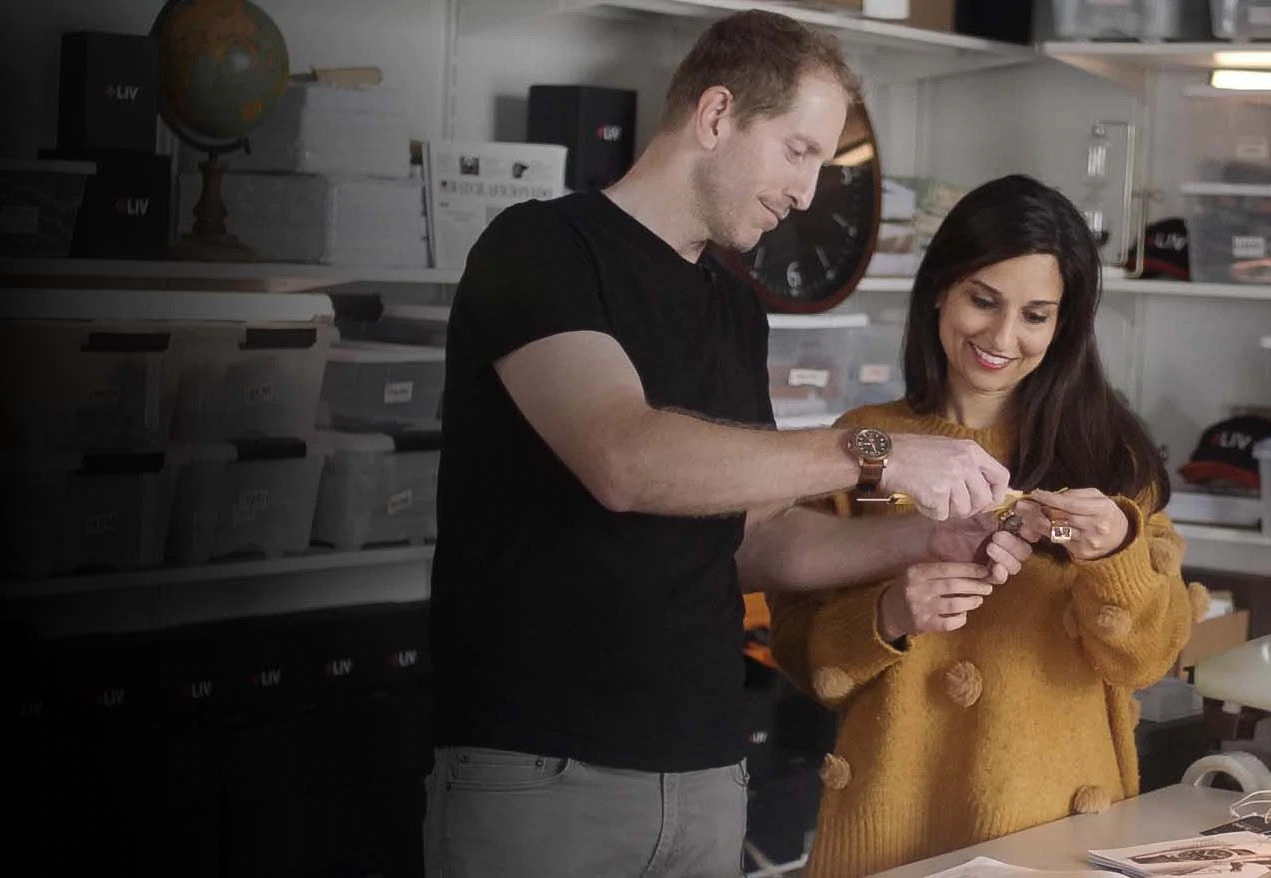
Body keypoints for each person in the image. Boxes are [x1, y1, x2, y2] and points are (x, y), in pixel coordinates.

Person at [424, 10, 1038, 878]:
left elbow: (754, 539)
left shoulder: (735, 306)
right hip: (542, 773)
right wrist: (877, 451)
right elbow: (624, 459)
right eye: (798, 151)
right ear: (716, 115)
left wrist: (928, 538)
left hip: (706, 774)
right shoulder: (540, 249)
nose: (808, 193)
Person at [767, 174, 1200, 877]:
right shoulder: (868, 443)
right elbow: (800, 654)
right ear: (940, 289)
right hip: (890, 829)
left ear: (1064, 325)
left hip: (1058, 834)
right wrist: (889, 614)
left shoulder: (1111, 454)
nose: (1002, 337)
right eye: (983, 300)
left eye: (1036, 315)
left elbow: (1149, 660)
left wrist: (1117, 552)